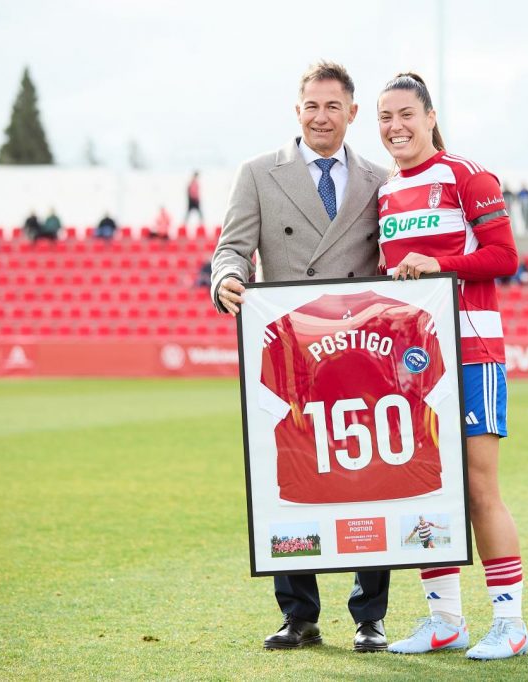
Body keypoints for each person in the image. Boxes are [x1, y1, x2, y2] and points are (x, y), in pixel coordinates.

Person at [211, 62, 391, 653]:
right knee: (288, 476)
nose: (321, 117)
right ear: (297, 110)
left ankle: (371, 616)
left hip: (360, 355)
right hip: (287, 352)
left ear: (352, 113)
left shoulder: (379, 179)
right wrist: (228, 281)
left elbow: (394, 265)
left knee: (367, 476)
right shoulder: (258, 173)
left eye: (333, 106)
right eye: (311, 106)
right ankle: (300, 615)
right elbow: (232, 248)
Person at [373, 72, 528, 661]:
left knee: (479, 487)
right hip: (412, 364)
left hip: (471, 352)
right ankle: (444, 620)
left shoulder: (466, 174)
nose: (396, 127)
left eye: (406, 114)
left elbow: (505, 257)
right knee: (424, 489)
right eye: (385, 118)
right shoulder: (386, 192)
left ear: (430, 116)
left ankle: (510, 623)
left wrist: (437, 263)